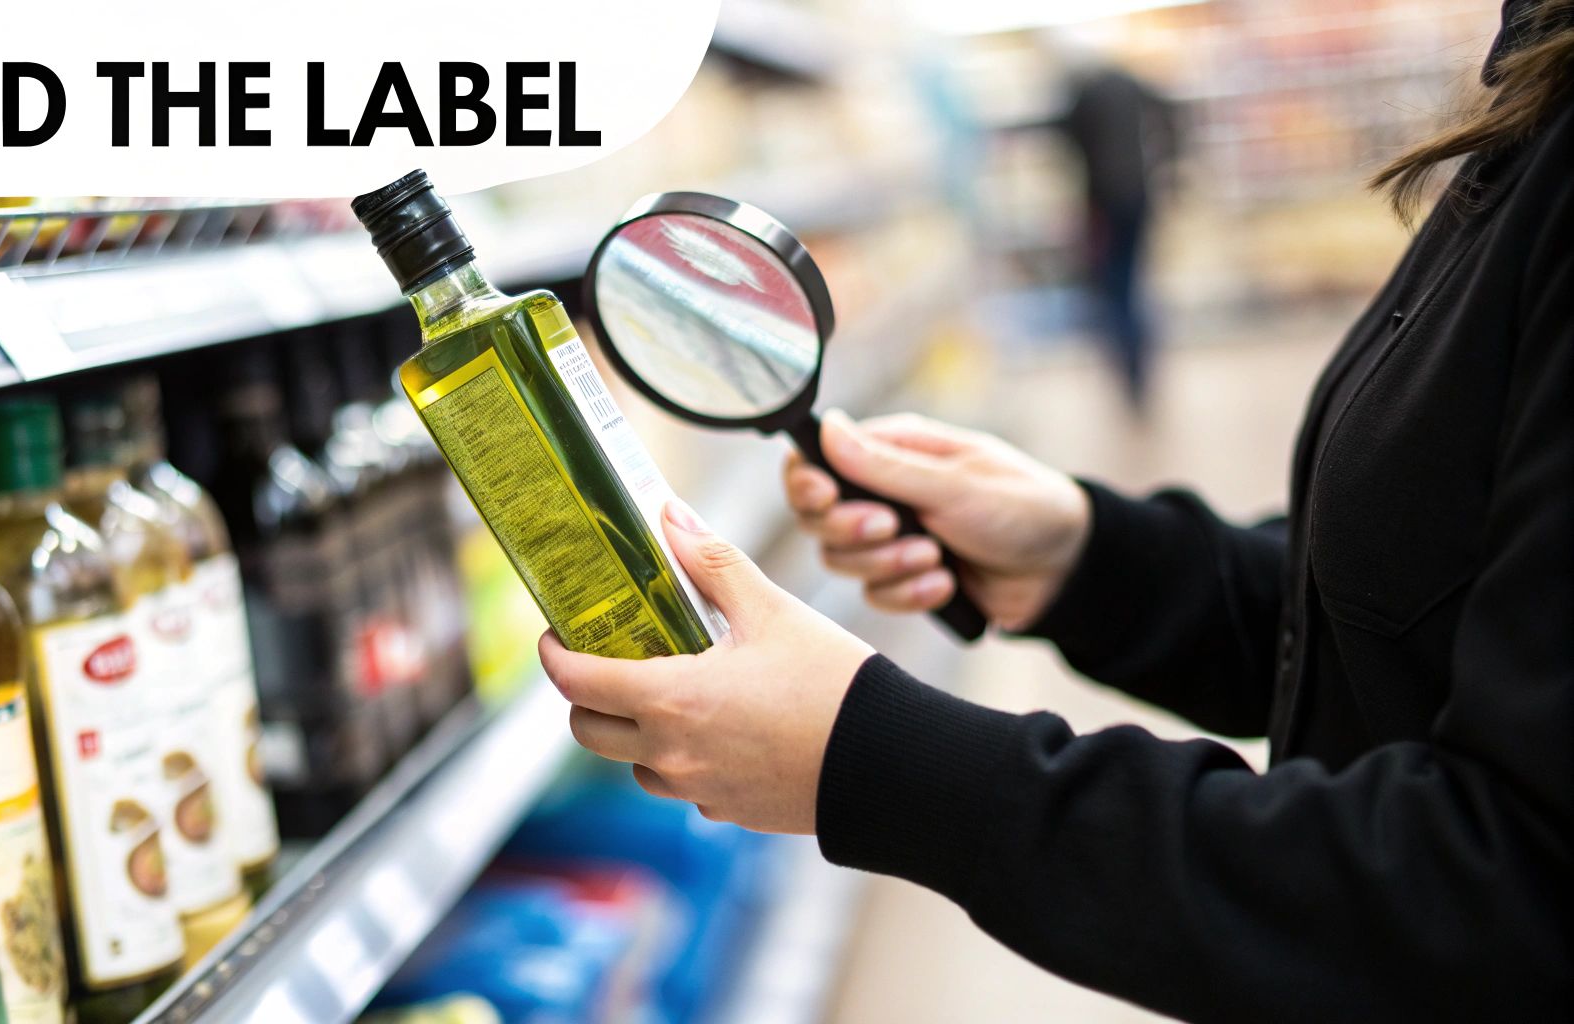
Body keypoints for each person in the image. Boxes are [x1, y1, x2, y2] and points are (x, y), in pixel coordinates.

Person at [537, 1, 1573, 1018]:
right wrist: (1086, 555)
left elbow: (1510, 898)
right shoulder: (1536, 89)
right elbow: (1423, 626)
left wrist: (874, 757)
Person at [1052, 45, 1178, 411]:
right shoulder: (1131, 83)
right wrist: (1169, 163)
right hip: (1141, 194)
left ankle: (1129, 373)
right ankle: (1141, 371)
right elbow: (1170, 113)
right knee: (1135, 281)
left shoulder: (1081, 94)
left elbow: (1066, 141)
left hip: (1103, 203)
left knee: (1114, 288)